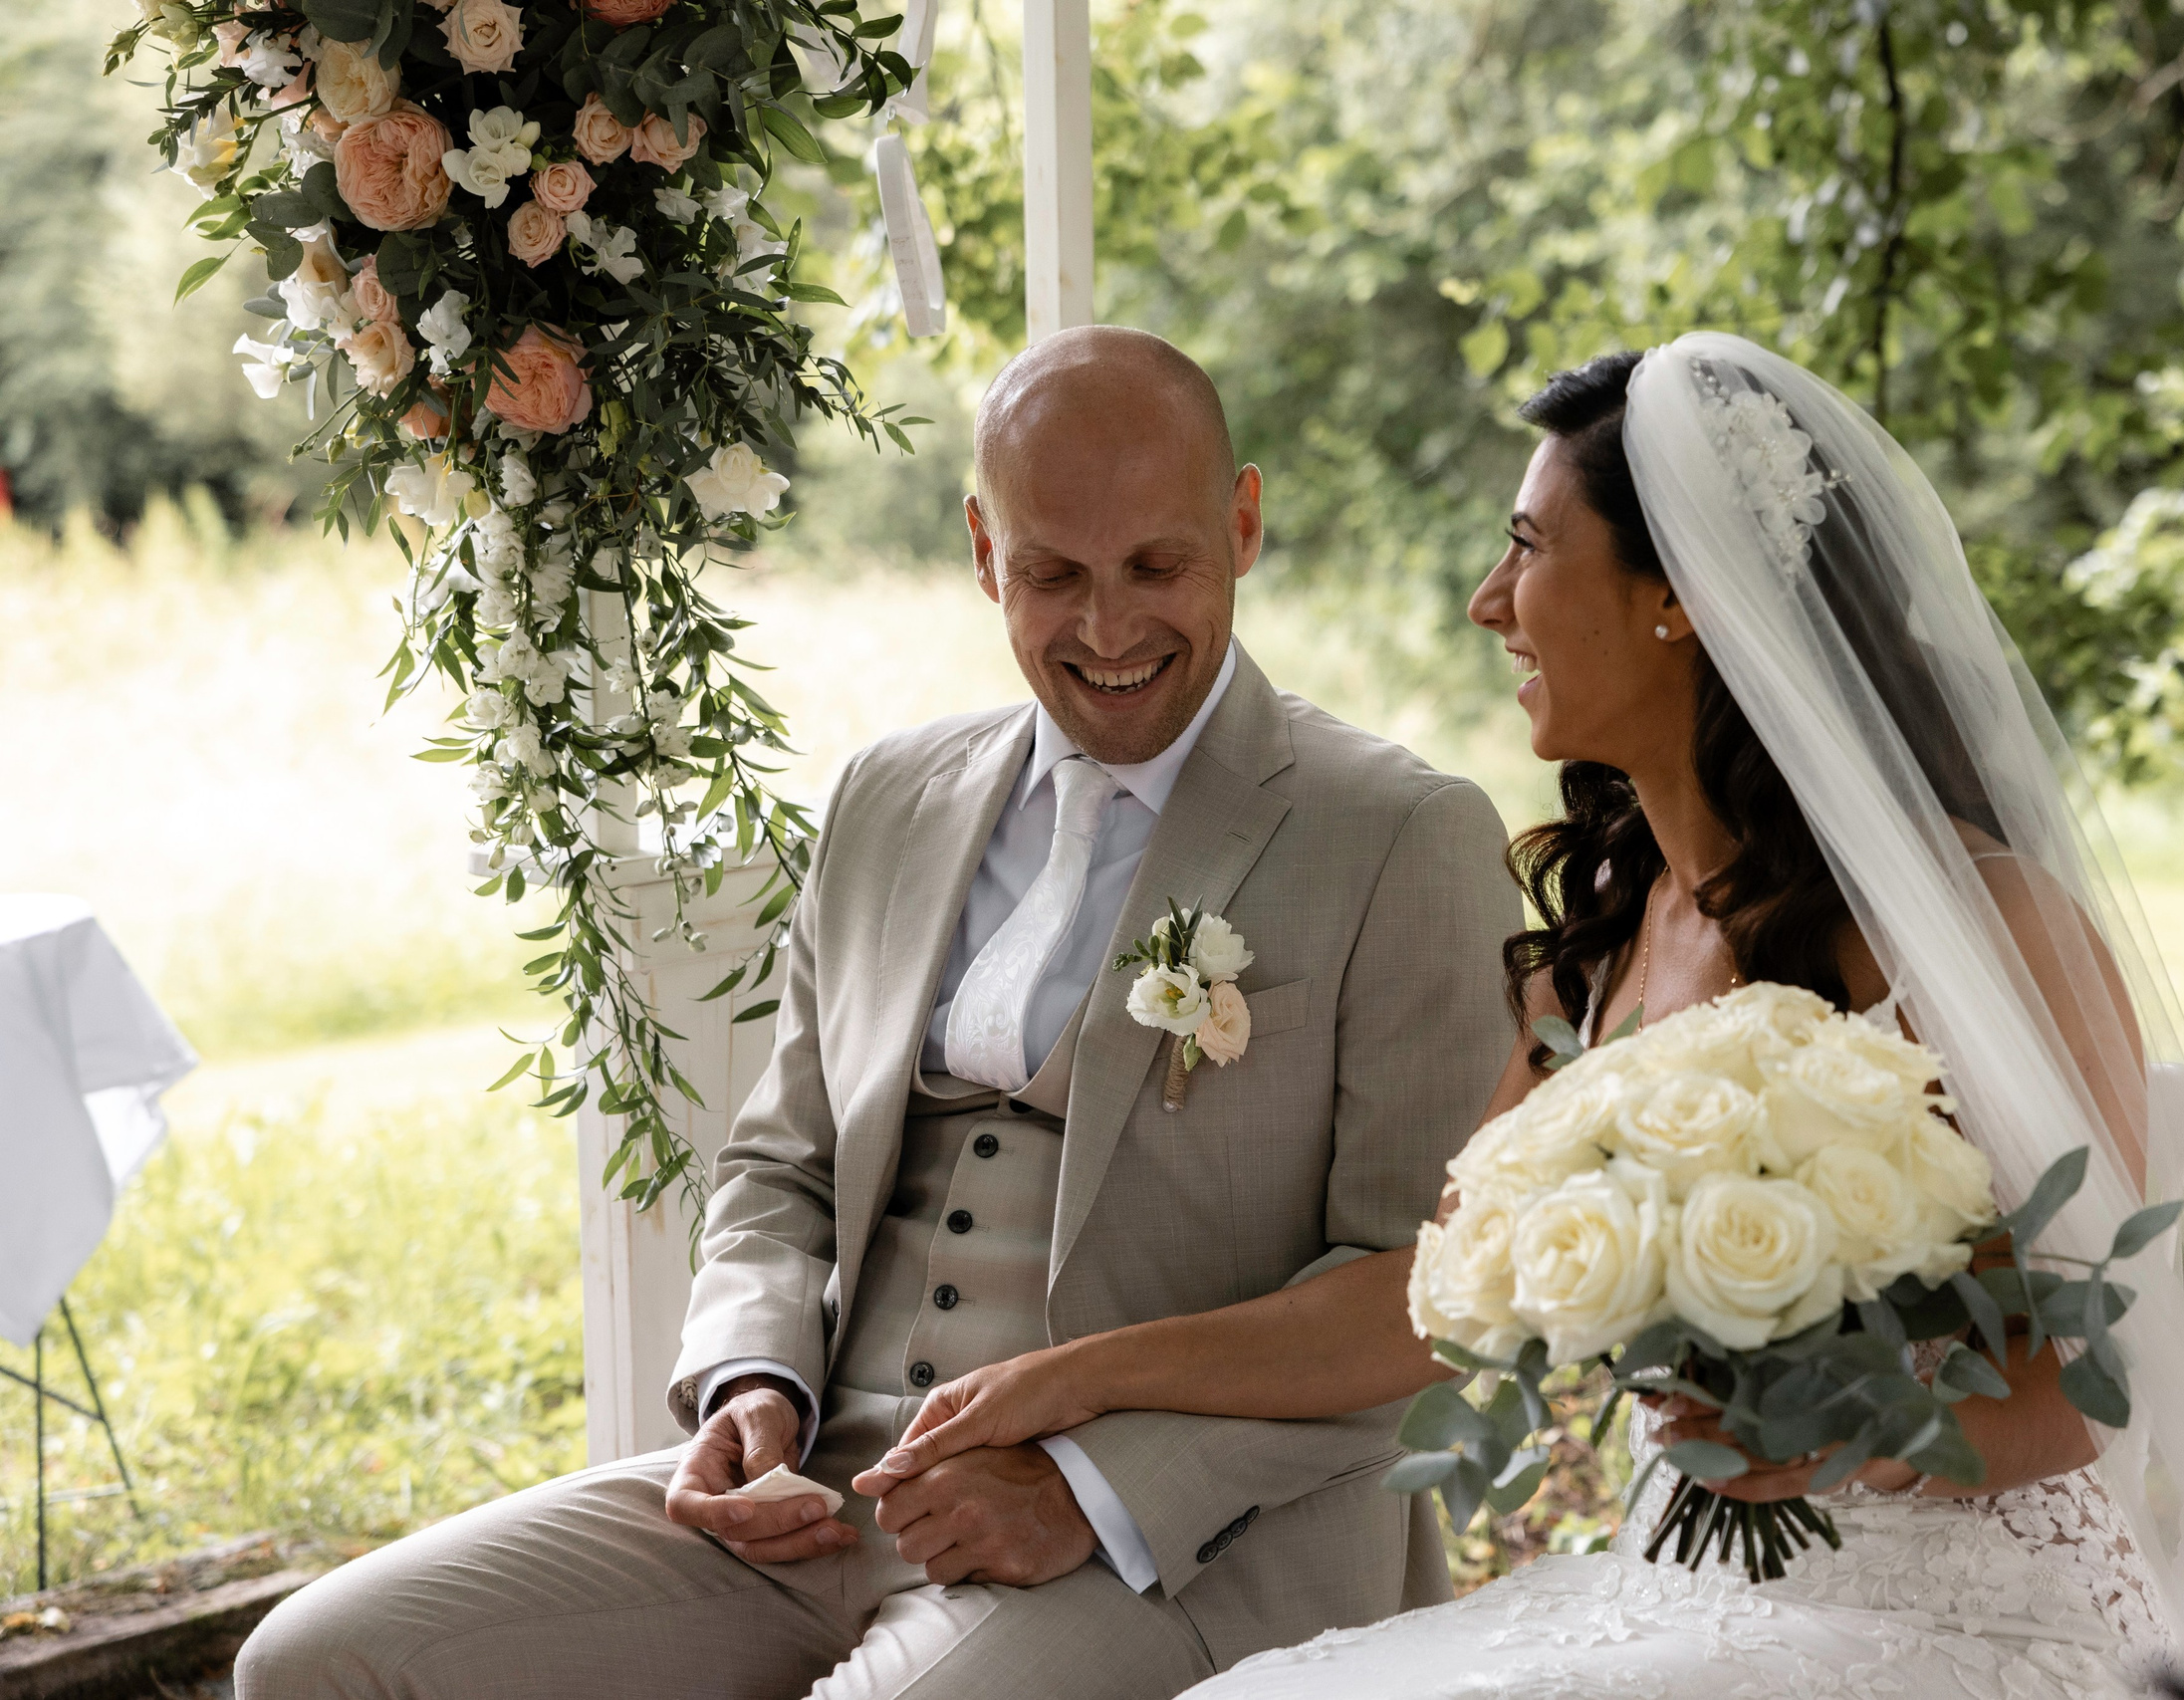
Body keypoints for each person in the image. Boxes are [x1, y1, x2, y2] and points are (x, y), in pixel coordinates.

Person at [854, 336, 2184, 1700]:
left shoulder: (1977, 928)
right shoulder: (1592, 956)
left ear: (1678, 599)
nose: (1488, 602)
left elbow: (2088, 1385)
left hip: (1962, 1618)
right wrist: (1077, 1378)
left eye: (1528, 549)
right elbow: (1423, 1303)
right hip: (1679, 1587)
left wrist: (1827, 1428)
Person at [234, 325, 1522, 1699]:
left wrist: (1085, 1486)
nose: (1106, 629)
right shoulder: (886, 799)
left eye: (1157, 565)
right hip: (827, 1489)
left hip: (1175, 1546)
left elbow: (1421, 1304)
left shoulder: (1399, 836)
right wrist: (749, 1387)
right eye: (1051, 574)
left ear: (1244, 523)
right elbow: (779, 1166)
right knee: (315, 1664)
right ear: (982, 550)